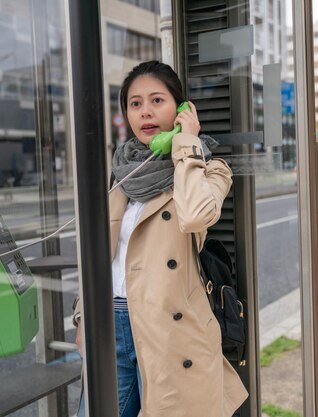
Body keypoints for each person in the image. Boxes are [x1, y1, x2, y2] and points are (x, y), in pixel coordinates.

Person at [73, 60, 248, 417]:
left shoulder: (208, 168)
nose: (145, 112)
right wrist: (82, 317)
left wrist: (186, 144)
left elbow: (197, 214)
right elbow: (98, 255)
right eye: (135, 104)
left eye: (157, 100)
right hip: (111, 321)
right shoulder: (120, 172)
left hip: (169, 328)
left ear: (182, 108)